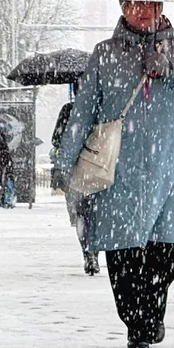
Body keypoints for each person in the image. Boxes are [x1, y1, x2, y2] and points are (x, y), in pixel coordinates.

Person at [57, 0, 174, 348]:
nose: (141, 11)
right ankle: (137, 322)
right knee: (123, 254)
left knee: (169, 248)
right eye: (133, 5)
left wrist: (172, 71)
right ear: (122, 7)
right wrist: (65, 161)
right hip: (119, 174)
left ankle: (149, 315)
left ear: (161, 6)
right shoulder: (104, 55)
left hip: (169, 171)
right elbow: (84, 112)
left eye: (149, 4)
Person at [52, 85, 99, 275]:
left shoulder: (68, 110)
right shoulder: (100, 108)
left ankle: (88, 252)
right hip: (96, 168)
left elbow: (56, 139)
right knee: (93, 214)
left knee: (82, 214)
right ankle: (92, 252)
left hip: (78, 170)